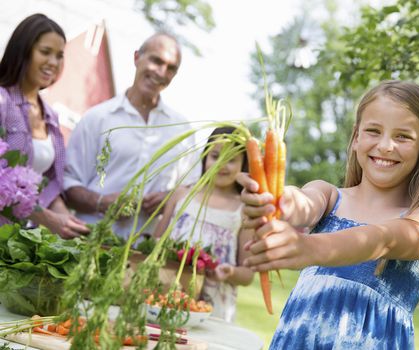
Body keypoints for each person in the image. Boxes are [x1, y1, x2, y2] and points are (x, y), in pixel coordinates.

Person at [239, 81, 419, 349]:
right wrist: (275, 200)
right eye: (373, 131)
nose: (386, 145)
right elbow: (302, 203)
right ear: (356, 138)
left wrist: (306, 248)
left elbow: (383, 239)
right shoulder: (329, 196)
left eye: (403, 136)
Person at [64, 32, 199, 238]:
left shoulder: (182, 130)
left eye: (171, 68)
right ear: (137, 57)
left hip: (143, 252)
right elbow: (68, 182)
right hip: (89, 241)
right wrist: (101, 202)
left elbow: (192, 190)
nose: (162, 73)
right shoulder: (97, 118)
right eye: (156, 61)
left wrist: (169, 199)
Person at [0, 13, 89, 238]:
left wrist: (65, 218)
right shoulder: (2, 101)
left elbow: (47, 181)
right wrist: (48, 219)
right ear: (23, 50)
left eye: (59, 56)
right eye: (45, 52)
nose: (53, 62)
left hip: (19, 240)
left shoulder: (50, 116)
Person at [153, 126, 254, 322]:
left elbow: (248, 274)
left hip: (211, 309)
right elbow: (155, 242)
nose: (222, 164)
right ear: (205, 158)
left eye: (231, 159)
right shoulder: (182, 194)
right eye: (216, 156)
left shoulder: (244, 210)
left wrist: (229, 272)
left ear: (243, 165)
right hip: (165, 295)